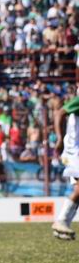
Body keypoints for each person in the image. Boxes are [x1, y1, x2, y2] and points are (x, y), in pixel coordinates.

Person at [52, 96, 79, 240]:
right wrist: (59, 138)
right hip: (73, 152)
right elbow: (60, 113)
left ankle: (62, 224)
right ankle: (61, 221)